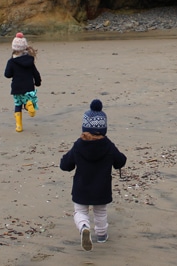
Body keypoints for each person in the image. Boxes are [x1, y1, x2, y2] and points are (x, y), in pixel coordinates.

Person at [60, 99, 127, 251]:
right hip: (101, 188)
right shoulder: (108, 145)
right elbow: (120, 161)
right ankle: (102, 236)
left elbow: (66, 165)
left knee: (80, 211)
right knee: (100, 212)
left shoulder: (79, 145)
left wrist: (65, 162)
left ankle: (84, 227)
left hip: (81, 187)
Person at [4, 32, 41, 132]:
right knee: (28, 100)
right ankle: (29, 106)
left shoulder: (11, 61)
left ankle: (19, 126)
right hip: (28, 87)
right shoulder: (30, 60)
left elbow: (7, 74)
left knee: (18, 105)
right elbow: (35, 73)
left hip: (16, 87)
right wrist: (38, 82)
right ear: (25, 47)